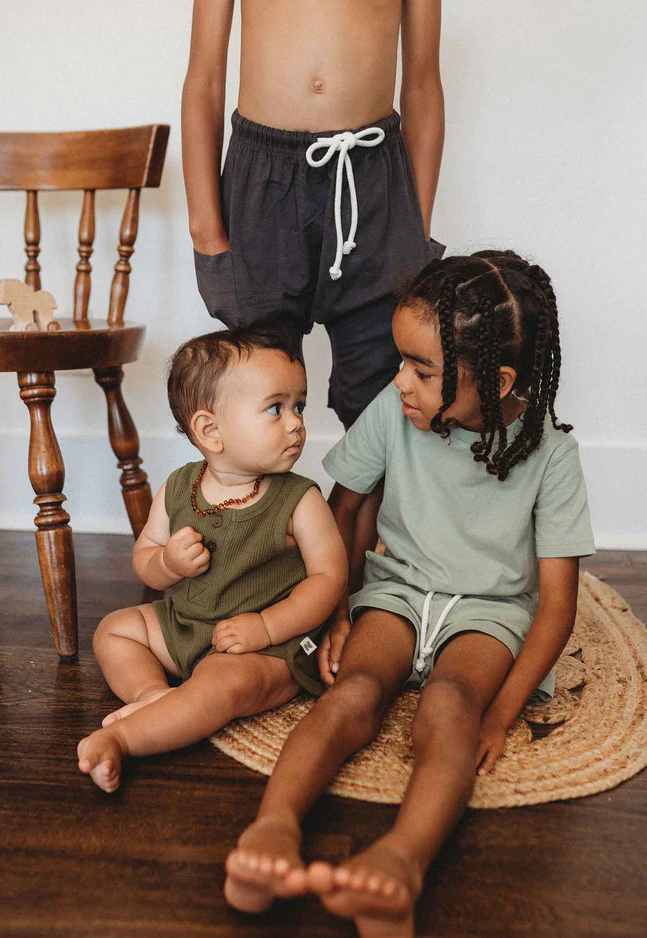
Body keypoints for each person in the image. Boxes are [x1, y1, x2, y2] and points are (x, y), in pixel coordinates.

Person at [223, 251, 595, 938]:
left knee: (450, 708)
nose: (400, 381)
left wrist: (502, 713)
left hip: (488, 612)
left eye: (421, 370)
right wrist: (336, 609)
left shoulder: (550, 455)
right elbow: (342, 512)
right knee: (352, 691)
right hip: (396, 592)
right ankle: (272, 824)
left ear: (498, 379)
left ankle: (401, 859)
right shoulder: (396, 412)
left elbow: (553, 605)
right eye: (402, 362)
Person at [182, 0, 445, 590]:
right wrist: (206, 226)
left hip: (375, 179)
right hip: (262, 182)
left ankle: (357, 580)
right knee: (255, 388)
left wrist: (415, 228)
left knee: (381, 395)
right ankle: (252, 574)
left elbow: (423, 81)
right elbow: (203, 77)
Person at [77, 328, 347, 793]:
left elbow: (329, 577)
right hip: (187, 623)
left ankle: (122, 738)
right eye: (275, 408)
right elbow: (143, 558)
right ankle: (152, 696)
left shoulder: (299, 499)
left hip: (266, 648)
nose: (297, 423)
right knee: (114, 630)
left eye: (299, 406)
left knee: (221, 686)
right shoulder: (180, 486)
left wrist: (264, 627)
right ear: (210, 430)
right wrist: (168, 565)